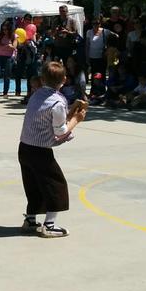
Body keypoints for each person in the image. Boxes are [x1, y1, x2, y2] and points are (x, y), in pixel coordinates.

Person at [19, 61, 88, 238]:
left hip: (24, 146)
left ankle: (31, 219)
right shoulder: (57, 102)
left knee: (32, 184)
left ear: (42, 79)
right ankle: (49, 224)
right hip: (40, 151)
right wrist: (76, 120)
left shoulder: (36, 95)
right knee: (55, 185)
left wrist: (69, 114)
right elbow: (60, 131)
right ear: (64, 80)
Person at [0, 20, 16, 96]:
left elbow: (14, 47)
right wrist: (7, 47)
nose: (4, 31)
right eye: (3, 29)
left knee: (7, 75)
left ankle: (5, 92)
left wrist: (5, 47)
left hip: (9, 57)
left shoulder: (14, 36)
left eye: (6, 29)